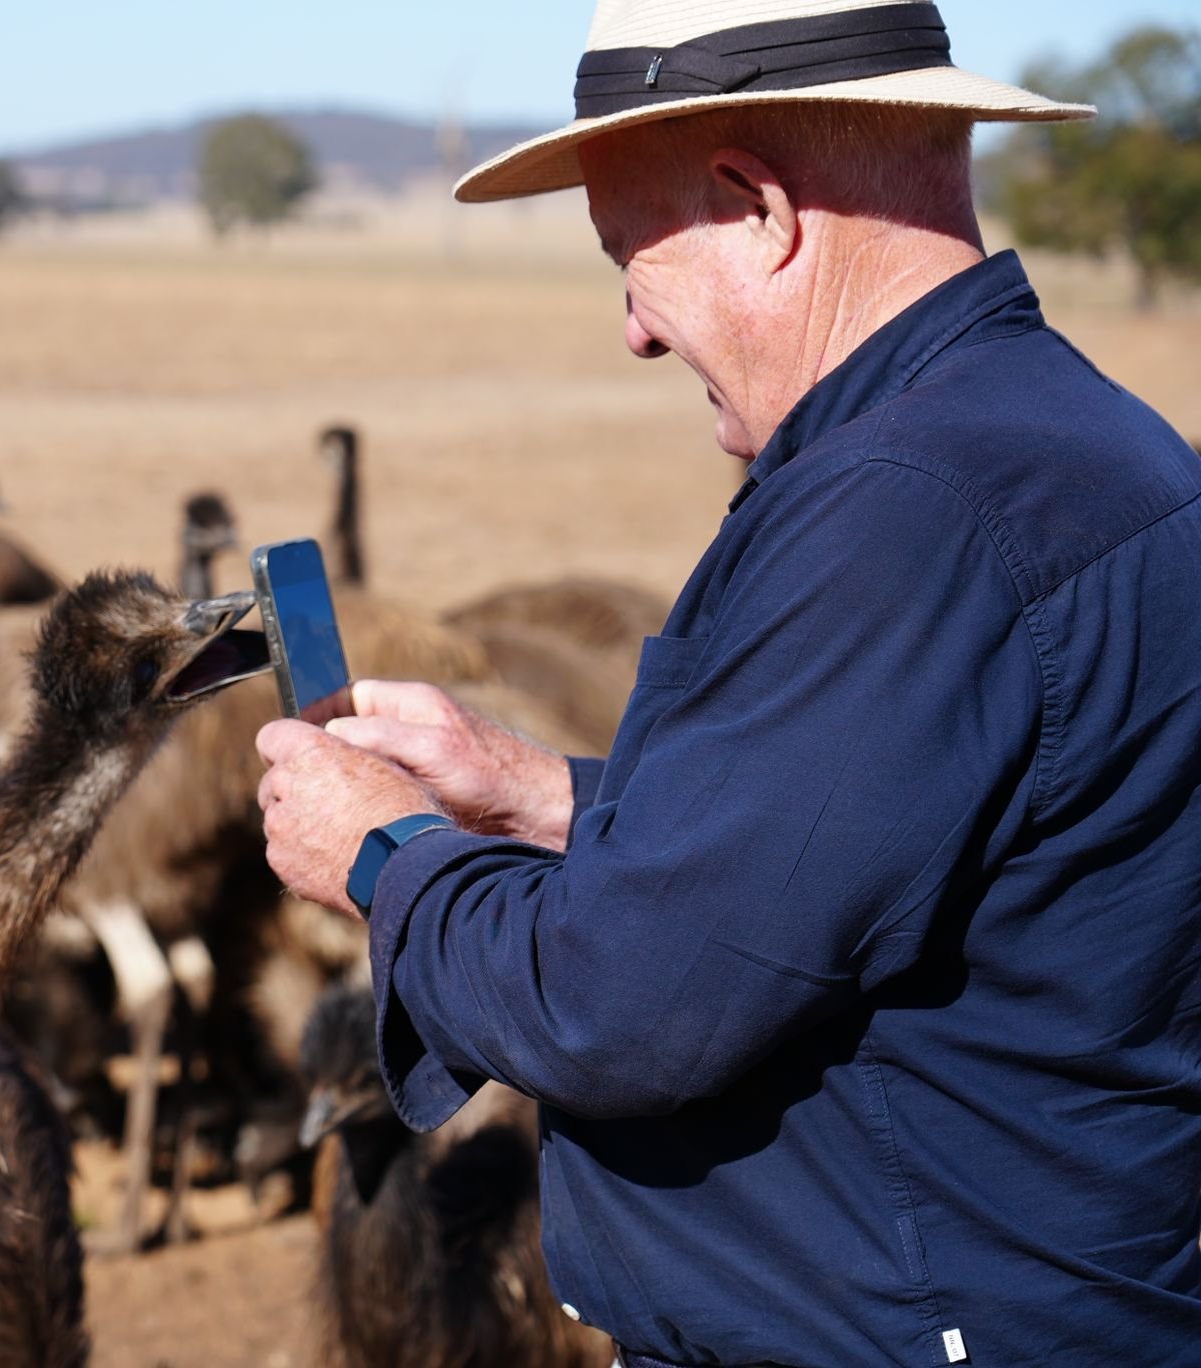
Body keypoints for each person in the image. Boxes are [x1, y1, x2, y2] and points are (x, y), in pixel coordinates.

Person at [254, 2, 1201, 1363]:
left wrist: (383, 859)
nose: (634, 330)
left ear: (759, 208)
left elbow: (627, 1008)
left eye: (629, 257)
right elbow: (874, 853)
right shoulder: (1081, 441)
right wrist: (538, 799)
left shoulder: (901, 509)